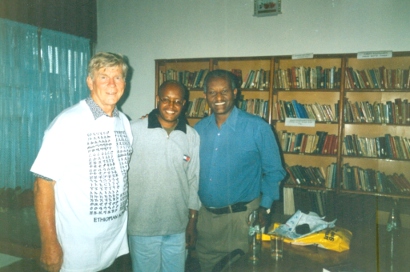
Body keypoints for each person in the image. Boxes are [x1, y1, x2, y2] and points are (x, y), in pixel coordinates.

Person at [31, 52, 132, 272]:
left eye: (118, 77)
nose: (112, 84)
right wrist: (49, 245)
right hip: (75, 253)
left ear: (125, 82)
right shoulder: (68, 122)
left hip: (114, 247)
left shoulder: (124, 122)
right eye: (104, 77)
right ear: (90, 82)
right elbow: (43, 184)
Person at [194, 69, 287, 271]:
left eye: (224, 91)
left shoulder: (257, 127)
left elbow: (274, 171)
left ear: (235, 92)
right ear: (205, 96)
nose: (218, 98)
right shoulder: (198, 130)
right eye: (212, 92)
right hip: (207, 221)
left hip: (242, 220)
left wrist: (265, 206)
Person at [127, 80, 201, 272]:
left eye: (177, 101)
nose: (171, 106)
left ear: (184, 104)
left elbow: (193, 179)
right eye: (166, 100)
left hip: (178, 227)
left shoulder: (191, 136)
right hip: (142, 226)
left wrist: (192, 222)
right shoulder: (133, 130)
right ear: (158, 99)